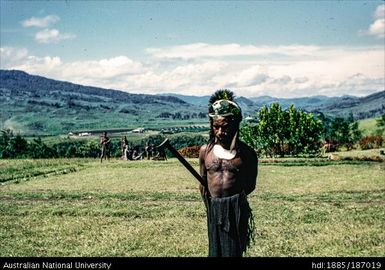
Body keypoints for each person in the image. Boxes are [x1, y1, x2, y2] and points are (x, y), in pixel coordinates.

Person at [199, 89, 258, 257]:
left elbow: (250, 185)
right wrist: (212, 208)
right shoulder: (205, 152)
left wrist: (233, 204)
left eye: (224, 127)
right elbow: (203, 184)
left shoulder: (246, 154)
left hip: (236, 211)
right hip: (214, 210)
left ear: (235, 125)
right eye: (215, 127)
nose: (219, 132)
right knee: (215, 252)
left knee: (232, 252)